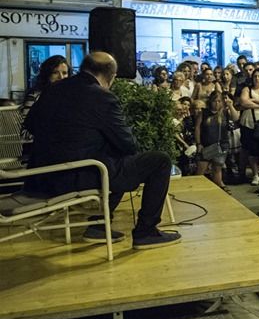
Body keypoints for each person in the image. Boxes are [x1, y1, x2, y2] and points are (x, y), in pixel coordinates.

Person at [23, 52, 180, 249]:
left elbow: (30, 125)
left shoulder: (53, 90)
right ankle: (146, 232)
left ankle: (98, 226)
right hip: (77, 176)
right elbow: (128, 144)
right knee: (159, 161)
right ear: (111, 76)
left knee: (116, 161)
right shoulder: (102, 97)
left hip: (42, 176)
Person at [195, 91, 240, 190]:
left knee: (217, 169)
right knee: (201, 169)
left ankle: (218, 189)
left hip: (221, 145)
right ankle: (196, 189)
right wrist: (198, 143)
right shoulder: (204, 112)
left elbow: (236, 118)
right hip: (206, 144)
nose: (217, 103)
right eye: (215, 101)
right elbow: (198, 128)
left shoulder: (225, 112)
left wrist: (230, 105)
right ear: (210, 101)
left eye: (219, 101)